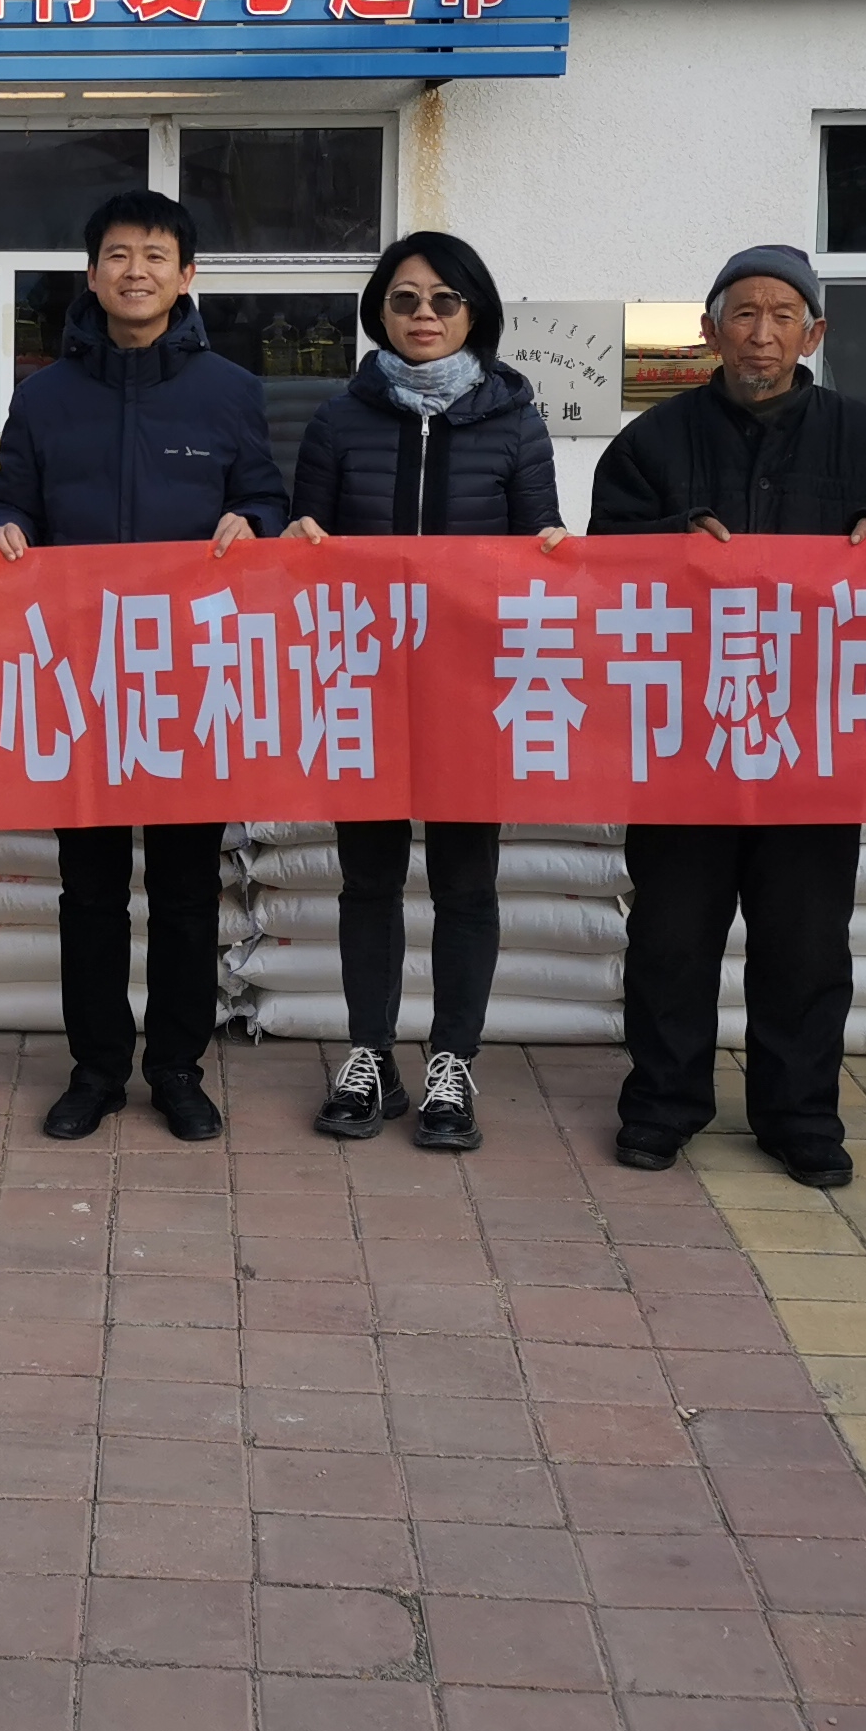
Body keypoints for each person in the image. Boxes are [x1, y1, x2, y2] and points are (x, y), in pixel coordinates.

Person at [590, 243, 866, 1186]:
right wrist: (671, 543)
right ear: (710, 331)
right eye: (744, 314)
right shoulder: (651, 446)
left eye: (784, 315)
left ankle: (800, 1117)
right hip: (688, 737)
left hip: (813, 740)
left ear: (814, 334)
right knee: (671, 936)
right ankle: (662, 1105)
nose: (762, 334)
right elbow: (603, 567)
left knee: (806, 941)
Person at [0, 188, 289, 1143]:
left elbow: (267, 500)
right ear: (92, 273)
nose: (136, 271)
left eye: (156, 256)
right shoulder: (44, 397)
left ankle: (178, 1069)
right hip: (81, 680)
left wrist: (254, 523)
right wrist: (4, 530)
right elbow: (6, 502)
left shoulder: (229, 391)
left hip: (188, 678)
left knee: (188, 890)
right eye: (118, 255)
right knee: (91, 892)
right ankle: (97, 1069)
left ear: (186, 276)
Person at [287, 231, 562, 1153]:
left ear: (473, 311)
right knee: (368, 880)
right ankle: (370, 1055)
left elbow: (538, 547)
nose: (424, 316)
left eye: (445, 300)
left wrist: (554, 548)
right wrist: (298, 544)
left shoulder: (516, 421)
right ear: (380, 311)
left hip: (473, 690)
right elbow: (306, 548)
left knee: (464, 883)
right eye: (405, 299)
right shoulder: (338, 421)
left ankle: (452, 1063)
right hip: (365, 685)